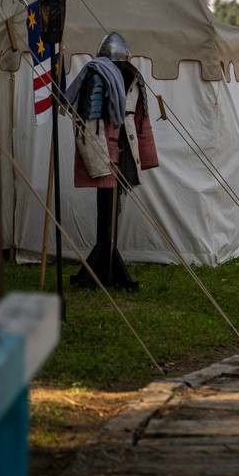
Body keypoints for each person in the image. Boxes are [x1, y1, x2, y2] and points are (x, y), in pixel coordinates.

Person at [67, 31, 158, 290]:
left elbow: (141, 121)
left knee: (113, 210)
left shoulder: (131, 77)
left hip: (122, 150)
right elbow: (88, 125)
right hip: (106, 150)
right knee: (106, 208)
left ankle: (108, 260)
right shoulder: (96, 76)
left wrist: (140, 154)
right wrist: (99, 161)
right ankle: (102, 261)